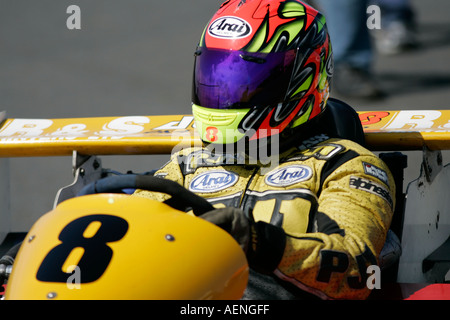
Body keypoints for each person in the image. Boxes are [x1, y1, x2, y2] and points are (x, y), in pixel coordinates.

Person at [134, 0, 395, 300]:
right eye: (218, 77)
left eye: (247, 83)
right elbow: (131, 236)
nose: (228, 95)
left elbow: (355, 272)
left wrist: (261, 243)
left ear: (303, 77)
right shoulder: (186, 164)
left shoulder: (345, 164)